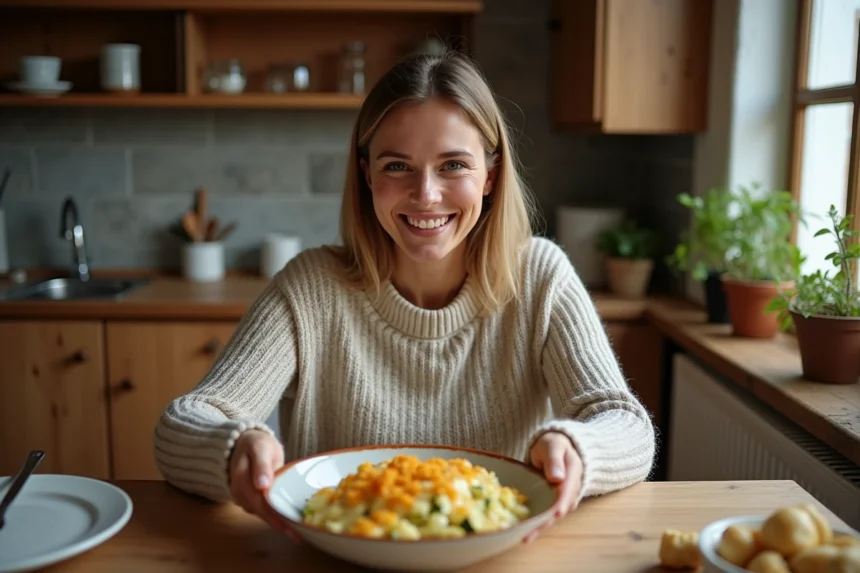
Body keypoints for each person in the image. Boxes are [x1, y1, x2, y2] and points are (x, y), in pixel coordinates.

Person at [153, 49, 656, 543]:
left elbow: (625, 424)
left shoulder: (540, 277)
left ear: (491, 176)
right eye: (397, 167)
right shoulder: (310, 287)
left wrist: (575, 446)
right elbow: (184, 423)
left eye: (454, 165)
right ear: (367, 173)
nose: (426, 194)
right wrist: (235, 445)